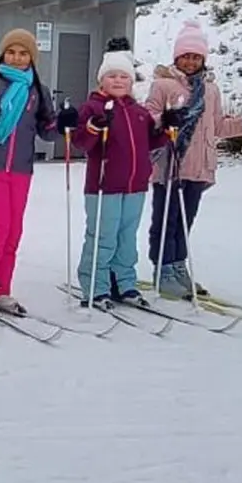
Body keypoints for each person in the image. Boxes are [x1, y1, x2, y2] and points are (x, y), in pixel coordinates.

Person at [0, 29, 77, 315]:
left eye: (23, 53)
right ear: (3, 53)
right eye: (11, 52)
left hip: (21, 168)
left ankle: (0, 287)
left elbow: (46, 131)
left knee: (13, 231)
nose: (17, 57)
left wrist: (62, 124)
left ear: (31, 58)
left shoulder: (38, 90)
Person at [143, 21, 242, 299]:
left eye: (196, 57)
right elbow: (147, 119)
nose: (191, 61)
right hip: (170, 165)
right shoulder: (163, 85)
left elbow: (219, 126)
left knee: (186, 220)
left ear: (203, 60)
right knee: (167, 219)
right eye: (186, 56)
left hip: (199, 166)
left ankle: (178, 265)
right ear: (176, 57)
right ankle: (163, 269)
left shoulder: (211, 90)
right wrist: (164, 119)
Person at [73, 50, 168, 308]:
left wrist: (167, 128)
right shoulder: (92, 107)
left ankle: (123, 282)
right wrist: (94, 126)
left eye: (123, 76)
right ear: (101, 80)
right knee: (103, 237)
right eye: (111, 76)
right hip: (104, 186)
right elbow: (81, 142)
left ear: (131, 81)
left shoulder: (138, 111)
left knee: (127, 238)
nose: (118, 81)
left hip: (135, 186)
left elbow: (151, 141)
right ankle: (95, 286)